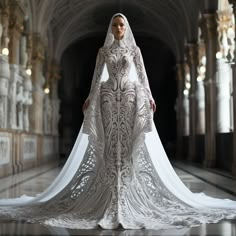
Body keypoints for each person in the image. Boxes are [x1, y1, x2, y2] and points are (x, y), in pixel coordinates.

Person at [0, 13, 236, 230]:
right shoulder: (103, 52)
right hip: (108, 99)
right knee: (111, 146)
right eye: (115, 25)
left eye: (121, 24)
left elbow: (142, 76)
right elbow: (96, 78)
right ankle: (110, 196)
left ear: (126, 28)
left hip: (131, 99)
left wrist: (150, 96)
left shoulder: (135, 51)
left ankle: (126, 195)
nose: (118, 28)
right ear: (111, 28)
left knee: (128, 147)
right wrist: (90, 98)